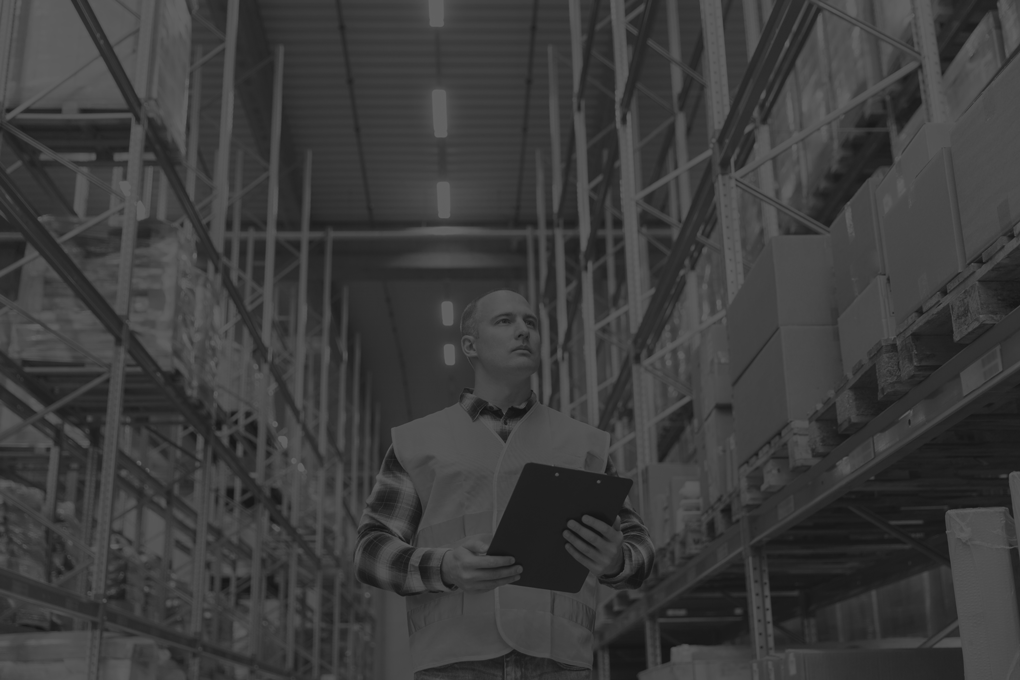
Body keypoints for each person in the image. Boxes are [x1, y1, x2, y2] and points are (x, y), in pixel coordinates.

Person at [355, 289, 654, 679]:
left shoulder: (582, 443)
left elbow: (640, 545)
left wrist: (617, 560)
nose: (523, 331)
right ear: (470, 345)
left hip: (559, 665)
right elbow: (370, 551)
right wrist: (444, 566)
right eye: (505, 321)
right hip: (456, 665)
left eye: (530, 323)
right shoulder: (418, 442)